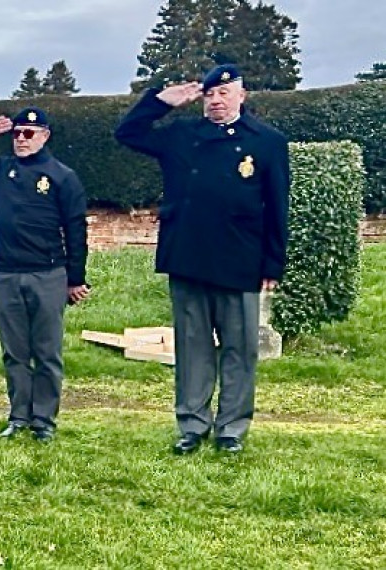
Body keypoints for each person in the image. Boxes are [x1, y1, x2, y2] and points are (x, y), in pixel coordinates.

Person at [114, 64, 290, 455]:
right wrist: (161, 101)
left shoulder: (266, 141)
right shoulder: (182, 135)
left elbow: (277, 206)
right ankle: (192, 425)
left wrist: (272, 264)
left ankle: (231, 428)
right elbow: (127, 133)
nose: (216, 100)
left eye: (224, 93)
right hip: (188, 254)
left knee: (238, 349)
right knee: (192, 348)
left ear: (242, 95)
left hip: (240, 257)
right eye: (209, 94)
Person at [0, 106, 90, 442]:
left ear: (44, 136)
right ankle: (19, 416)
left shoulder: (62, 176)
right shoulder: (2, 170)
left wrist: (75, 278)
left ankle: (44, 419)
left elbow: (75, 230)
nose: (20, 139)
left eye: (28, 133)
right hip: (6, 275)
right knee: (14, 351)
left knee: (46, 352)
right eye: (16, 133)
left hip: (47, 275)